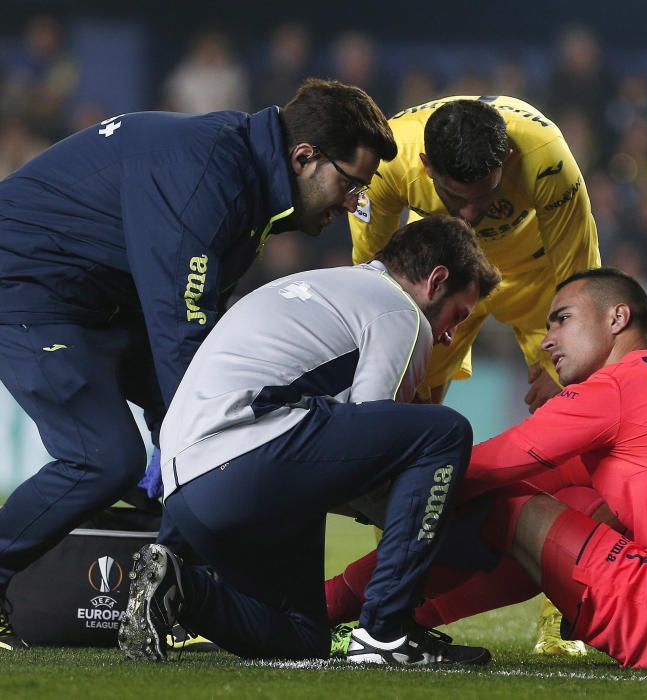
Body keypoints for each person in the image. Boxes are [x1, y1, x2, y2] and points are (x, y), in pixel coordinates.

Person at [0, 78, 397, 650]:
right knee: (105, 459)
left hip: (99, 302)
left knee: (205, 443)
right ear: (304, 157)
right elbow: (181, 337)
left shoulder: (246, 178)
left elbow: (203, 337)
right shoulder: (211, 178)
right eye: (350, 184)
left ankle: (188, 592)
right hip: (29, 289)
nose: (351, 204)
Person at [328, 267, 647, 671]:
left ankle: (339, 611)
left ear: (618, 318)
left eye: (562, 320)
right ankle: (386, 621)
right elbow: (541, 479)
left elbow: (478, 470)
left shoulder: (620, 386)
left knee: (497, 503)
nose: (548, 339)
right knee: (571, 506)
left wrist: (353, 483)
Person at [117, 216, 501, 665]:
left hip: (188, 497)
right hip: (248, 462)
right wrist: (450, 521)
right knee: (443, 432)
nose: (451, 335)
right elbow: (378, 449)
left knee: (303, 639)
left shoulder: (325, 287)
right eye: (458, 315)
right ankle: (386, 632)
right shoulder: (399, 311)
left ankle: (181, 587)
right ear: (436, 281)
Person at [348, 94, 600, 655]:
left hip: (537, 275)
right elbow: (374, 278)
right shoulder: (388, 160)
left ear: (506, 159)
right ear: (426, 170)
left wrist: (564, 362)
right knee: (395, 421)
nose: (471, 216)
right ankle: (392, 604)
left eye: (485, 198)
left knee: (583, 407)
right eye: (454, 199)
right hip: (445, 273)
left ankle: (565, 614)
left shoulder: (546, 158)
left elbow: (582, 279)